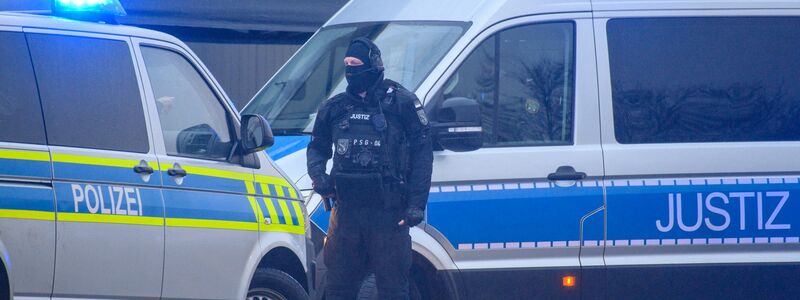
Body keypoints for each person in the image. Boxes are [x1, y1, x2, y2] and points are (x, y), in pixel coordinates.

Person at [306, 37, 433, 300]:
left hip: (388, 215)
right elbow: (317, 148)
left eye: (356, 63)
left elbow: (423, 155)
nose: (351, 70)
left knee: (394, 290)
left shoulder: (402, 104)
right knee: (338, 288)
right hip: (346, 216)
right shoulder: (335, 107)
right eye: (347, 64)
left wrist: (416, 205)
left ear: (373, 65)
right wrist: (319, 178)